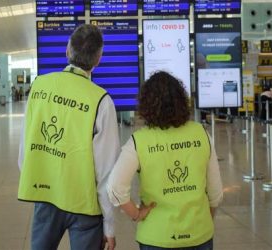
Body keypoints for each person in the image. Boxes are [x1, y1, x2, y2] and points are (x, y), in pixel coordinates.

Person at [18, 24, 120, 250]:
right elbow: (106, 173)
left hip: (46, 196)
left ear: (67, 51)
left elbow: (26, 149)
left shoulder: (39, 87)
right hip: (85, 205)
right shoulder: (102, 101)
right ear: (98, 59)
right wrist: (109, 227)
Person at [107, 71, 223, 250]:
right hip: (200, 234)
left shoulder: (139, 141)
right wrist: (204, 221)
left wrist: (136, 214)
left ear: (146, 105)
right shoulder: (201, 133)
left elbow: (115, 187)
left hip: (156, 235)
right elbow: (215, 194)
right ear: (181, 101)